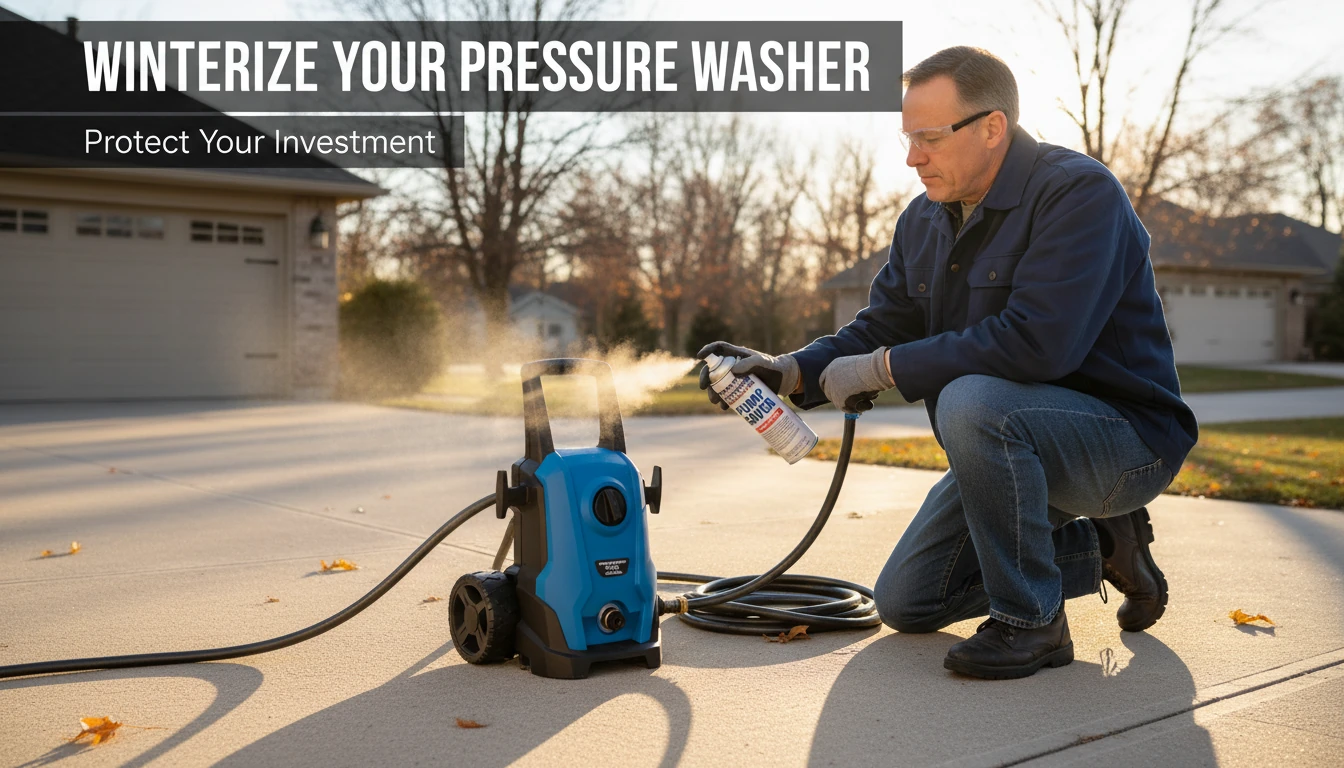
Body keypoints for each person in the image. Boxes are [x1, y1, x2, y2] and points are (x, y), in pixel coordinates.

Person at [698, 46, 1197, 680]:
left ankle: (1031, 622)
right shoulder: (923, 220)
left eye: (930, 138)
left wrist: (882, 370)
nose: (913, 157)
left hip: (1125, 444)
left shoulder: (1077, 194)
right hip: (1012, 448)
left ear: (993, 127)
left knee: (971, 399)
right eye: (908, 138)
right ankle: (1101, 544)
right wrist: (791, 370)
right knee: (906, 602)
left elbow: (1038, 345)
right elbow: (882, 323)